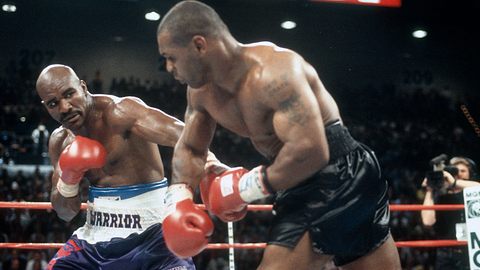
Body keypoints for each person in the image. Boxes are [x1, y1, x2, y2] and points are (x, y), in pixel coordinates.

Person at [156, 1, 402, 269]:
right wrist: (179, 201)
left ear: (199, 45)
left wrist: (241, 189)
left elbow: (312, 150)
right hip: (298, 177)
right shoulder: (200, 93)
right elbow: (191, 149)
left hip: (338, 169)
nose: (168, 67)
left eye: (171, 57)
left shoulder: (274, 72)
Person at [35, 64, 213, 269]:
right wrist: (69, 177)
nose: (64, 107)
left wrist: (213, 165)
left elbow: (184, 135)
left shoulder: (121, 112)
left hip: (154, 236)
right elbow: (66, 212)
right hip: (94, 241)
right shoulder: (60, 141)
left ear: (83, 87)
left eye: (69, 94)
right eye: (53, 103)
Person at [421, 156, 480, 270]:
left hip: (471, 251)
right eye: (455, 170)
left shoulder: (473, 193)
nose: (459, 173)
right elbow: (427, 222)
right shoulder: (440, 195)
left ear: (470, 174)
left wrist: (454, 183)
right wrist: (430, 190)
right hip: (446, 253)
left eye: (463, 171)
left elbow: (478, 187)